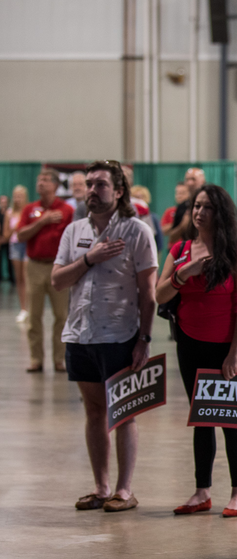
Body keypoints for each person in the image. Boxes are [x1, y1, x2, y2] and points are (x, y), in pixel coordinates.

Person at [52, 160, 157, 513]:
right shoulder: (74, 231)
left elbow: (149, 293)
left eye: (100, 184)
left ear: (119, 190)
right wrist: (89, 259)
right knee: (94, 411)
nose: (92, 191)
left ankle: (125, 491)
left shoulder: (137, 231)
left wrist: (144, 339)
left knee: (123, 413)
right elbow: (57, 280)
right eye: (88, 184)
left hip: (119, 335)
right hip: (81, 335)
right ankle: (101, 487)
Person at [156, 184, 237, 518]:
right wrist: (184, 274)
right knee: (201, 419)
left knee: (230, 421)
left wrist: (235, 351)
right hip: (189, 343)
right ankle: (202, 491)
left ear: (221, 213)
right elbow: (159, 296)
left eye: (207, 207)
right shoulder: (180, 249)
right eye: (196, 206)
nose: (199, 213)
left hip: (227, 347)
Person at [18, 169, 74, 373]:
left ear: (55, 185)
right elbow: (21, 235)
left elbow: (71, 239)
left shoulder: (66, 210)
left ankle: (59, 360)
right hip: (34, 266)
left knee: (61, 315)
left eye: (45, 180)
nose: (40, 184)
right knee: (34, 315)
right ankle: (36, 359)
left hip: (58, 266)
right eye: (38, 180)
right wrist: (42, 221)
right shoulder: (30, 209)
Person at [4, 185, 30, 321]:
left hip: (27, 245)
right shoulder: (9, 213)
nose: (17, 199)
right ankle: (23, 308)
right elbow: (6, 234)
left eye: (20, 196)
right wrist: (16, 227)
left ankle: (30, 307)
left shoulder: (29, 210)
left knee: (27, 277)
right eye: (15, 196)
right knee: (19, 278)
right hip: (15, 245)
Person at [163, 168, 205, 244]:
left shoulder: (212, 202)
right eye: (187, 180)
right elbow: (172, 237)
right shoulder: (182, 207)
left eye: (193, 179)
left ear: (202, 181)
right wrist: (182, 226)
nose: (190, 183)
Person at [161, 182, 190, 247]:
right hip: (173, 247)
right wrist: (178, 223)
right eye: (177, 193)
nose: (179, 196)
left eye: (182, 193)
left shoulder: (190, 211)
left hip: (187, 246)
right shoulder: (169, 211)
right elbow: (163, 230)